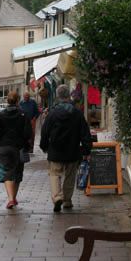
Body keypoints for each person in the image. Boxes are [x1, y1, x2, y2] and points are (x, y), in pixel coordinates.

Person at [40, 84, 92, 212]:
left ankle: (57, 196)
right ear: (69, 95)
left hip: (55, 150)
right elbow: (85, 133)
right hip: (72, 150)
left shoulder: (52, 114)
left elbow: (45, 132)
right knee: (70, 176)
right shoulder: (77, 113)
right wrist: (86, 149)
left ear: (57, 96)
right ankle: (67, 200)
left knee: (54, 174)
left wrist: (44, 146)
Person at [0, 91, 32, 209]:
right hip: (19, 148)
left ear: (7, 101)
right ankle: (13, 198)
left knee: (7, 172)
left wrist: (2, 140)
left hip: (5, 148)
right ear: (18, 101)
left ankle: (10, 199)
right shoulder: (23, 114)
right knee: (18, 172)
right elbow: (28, 133)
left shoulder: (1, 115)